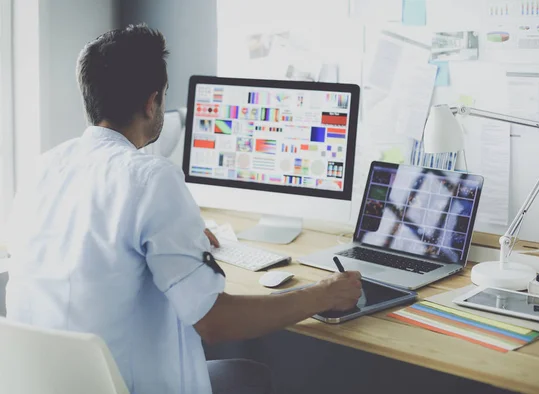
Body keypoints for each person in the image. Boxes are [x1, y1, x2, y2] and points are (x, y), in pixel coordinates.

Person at [5, 24, 362, 394]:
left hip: (51, 385)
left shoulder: (41, 168)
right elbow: (214, 322)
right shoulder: (150, 178)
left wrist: (181, 239)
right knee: (251, 376)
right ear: (152, 101)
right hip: (131, 386)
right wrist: (324, 294)